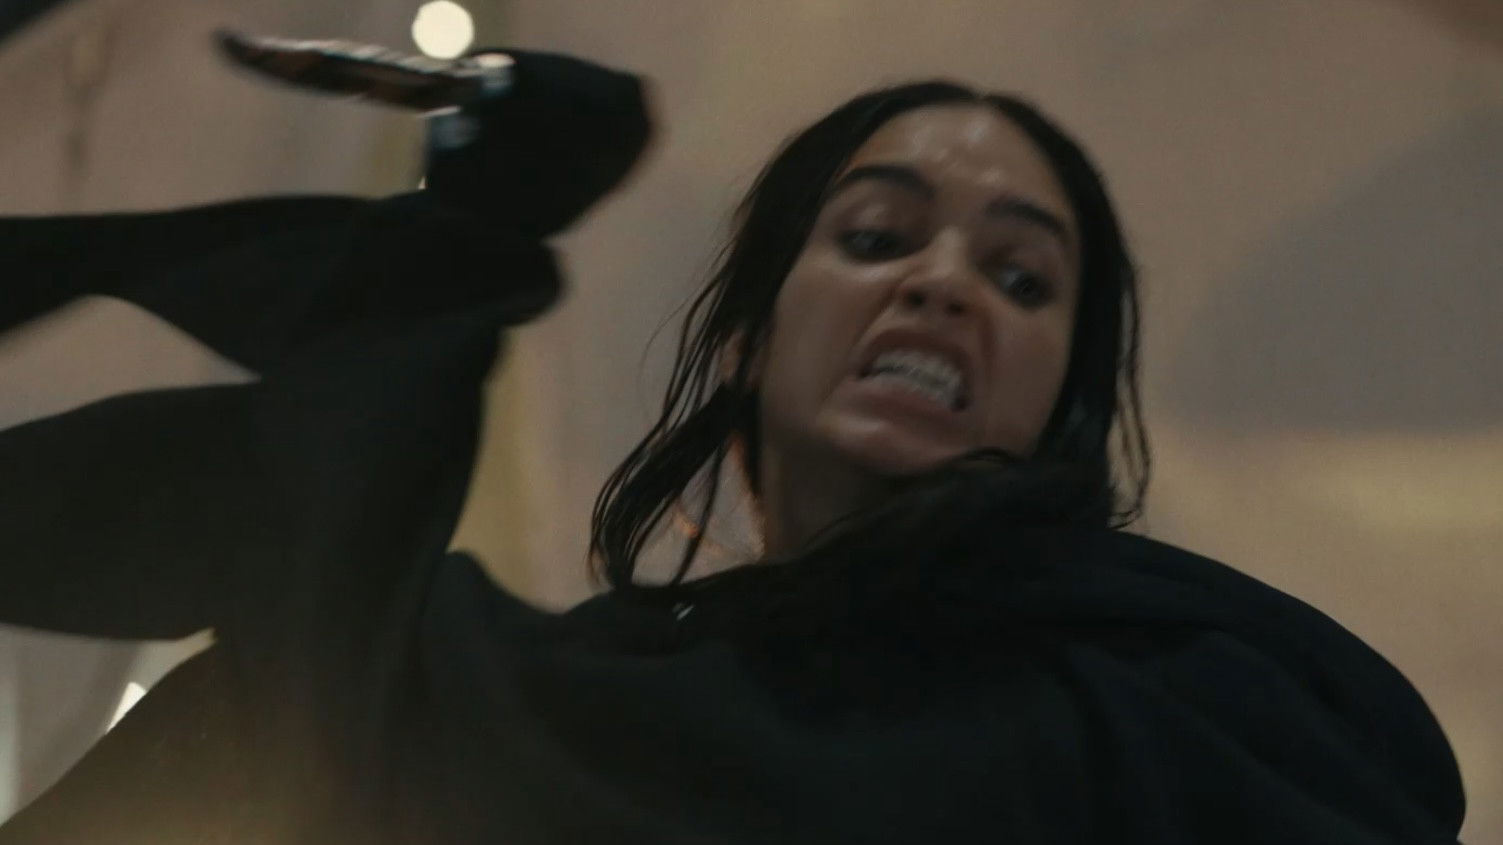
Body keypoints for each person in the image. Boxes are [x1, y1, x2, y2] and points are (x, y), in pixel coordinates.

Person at [0, 41, 1465, 844]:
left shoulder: (1193, 710)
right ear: (750, 336)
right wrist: (452, 251)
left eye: (1022, 278)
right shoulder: (499, 686)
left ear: (1057, 402)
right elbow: (317, 654)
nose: (945, 282)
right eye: (877, 235)